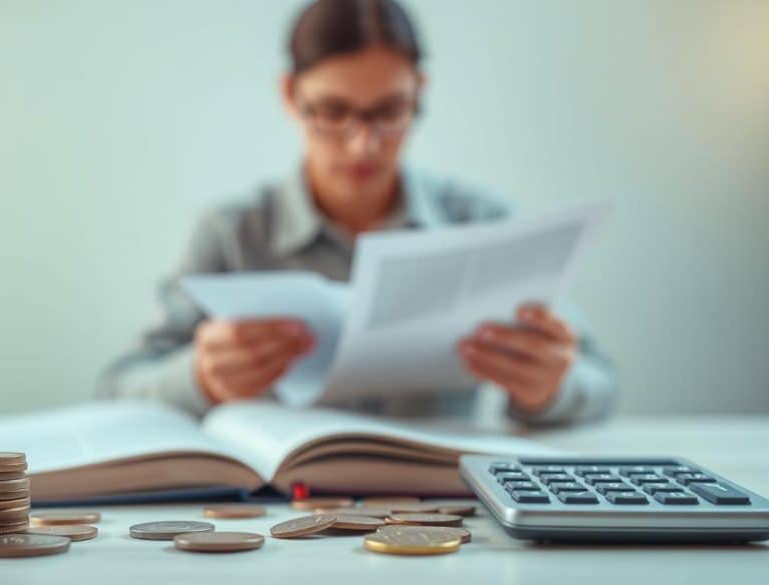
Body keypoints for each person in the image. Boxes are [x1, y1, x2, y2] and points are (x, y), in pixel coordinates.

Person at [95, 0, 616, 425]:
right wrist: (202, 379)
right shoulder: (232, 232)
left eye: (389, 111)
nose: (363, 144)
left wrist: (548, 387)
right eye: (333, 111)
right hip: (278, 522)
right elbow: (117, 388)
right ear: (289, 95)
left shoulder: (482, 222)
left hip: (444, 521)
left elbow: (600, 381)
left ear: (420, 93)